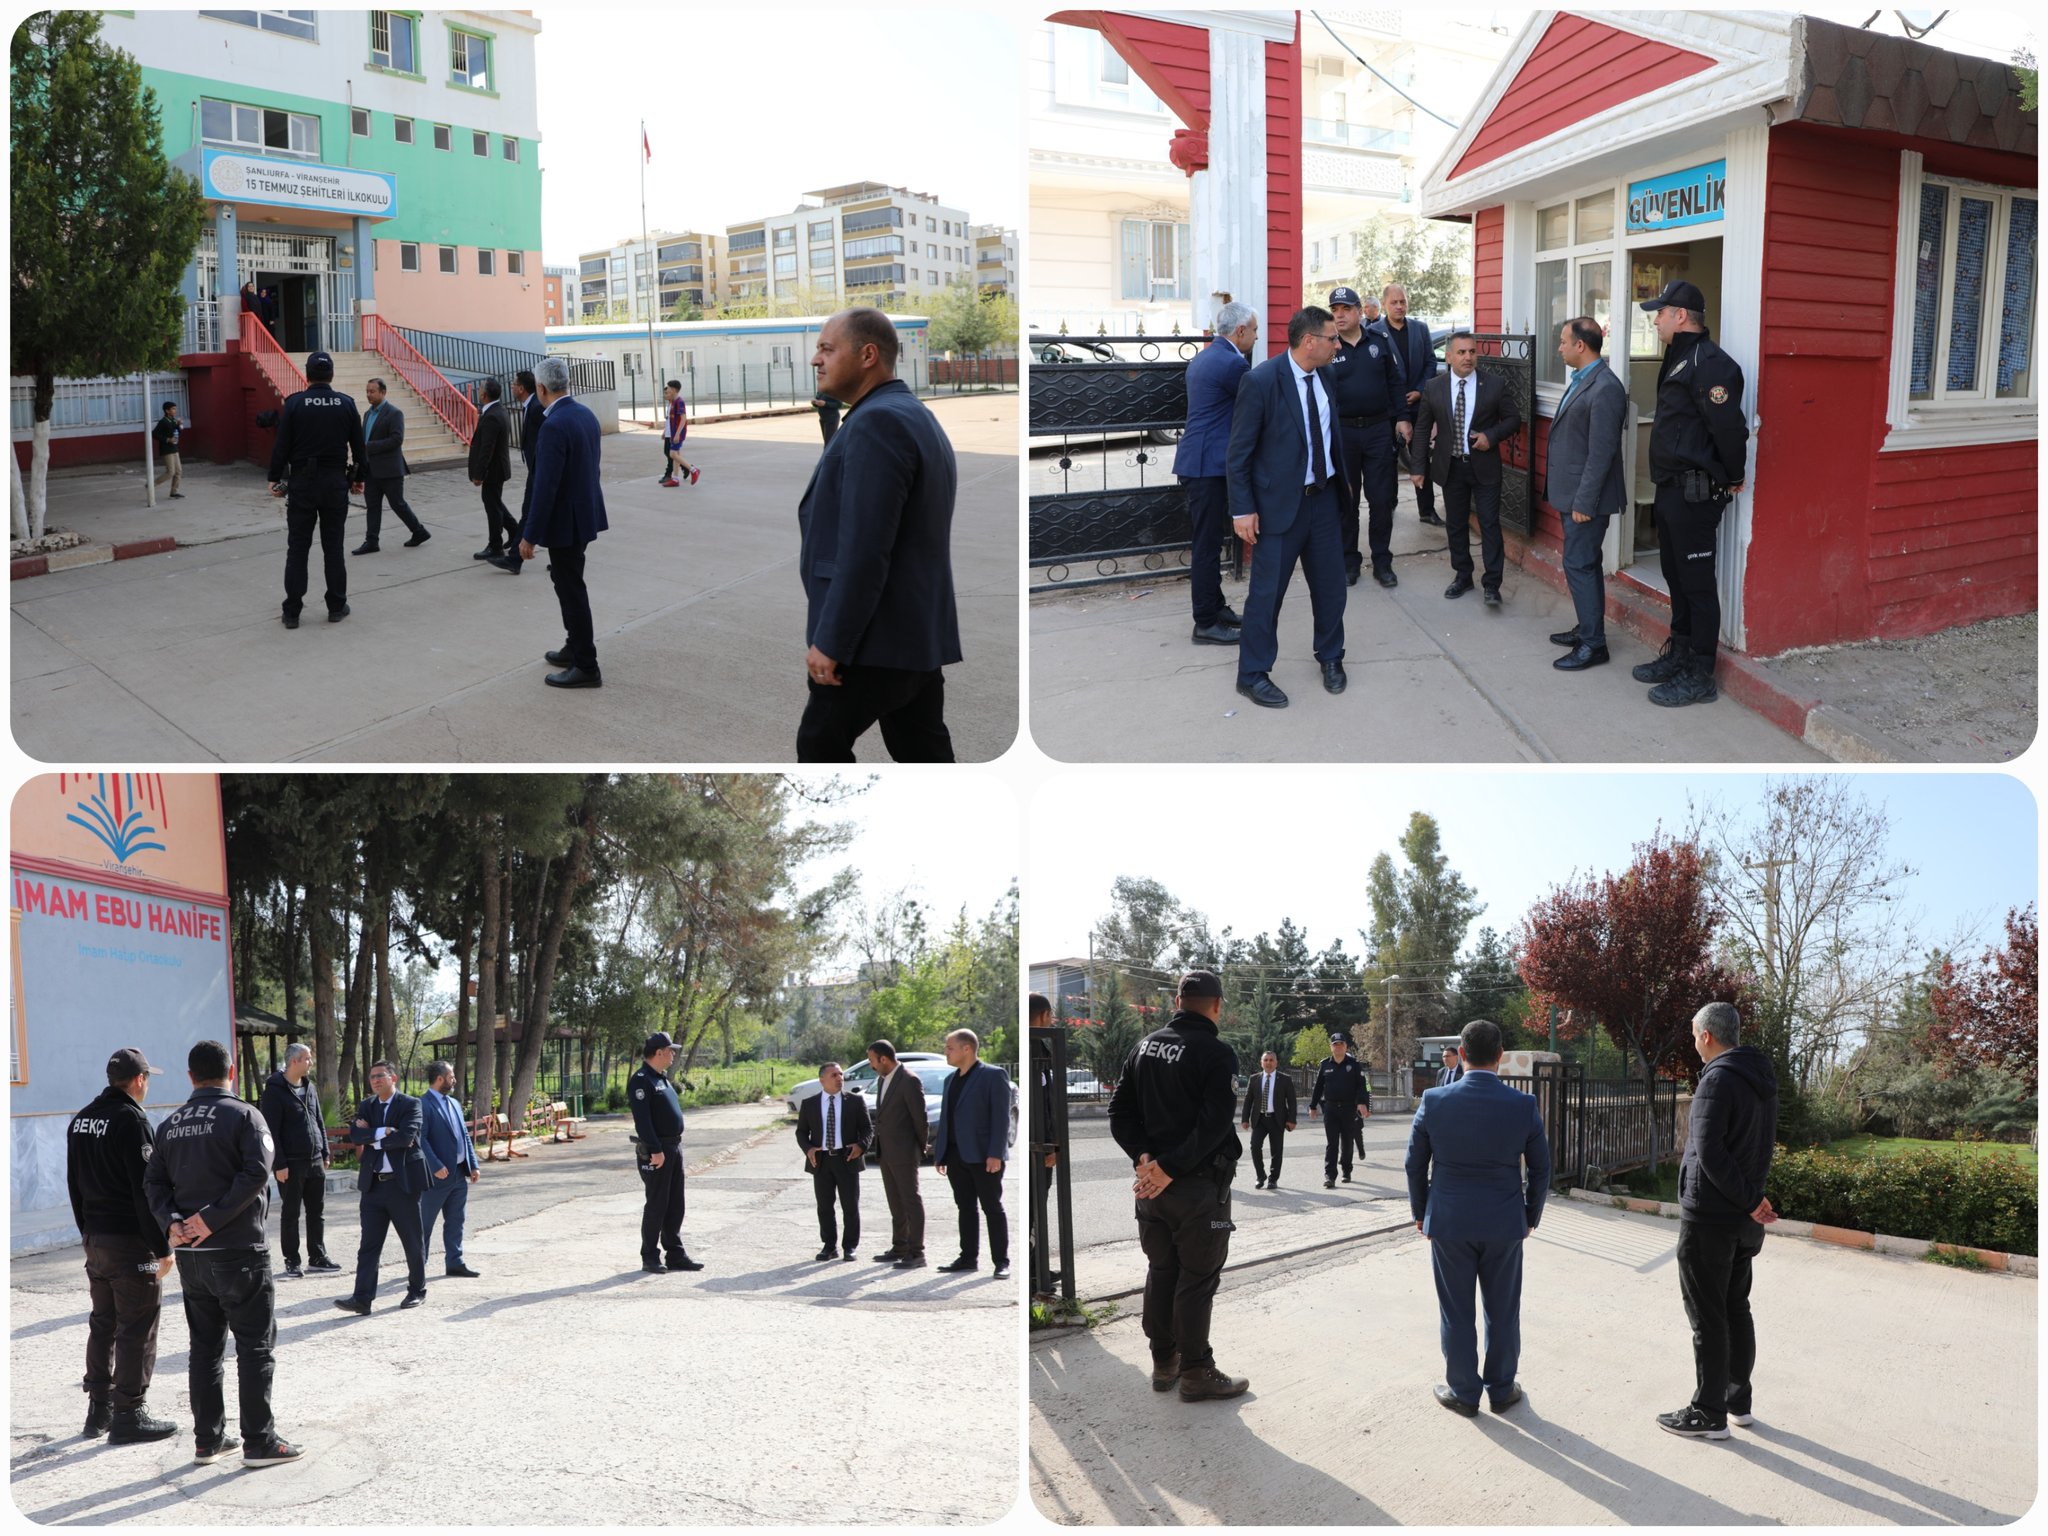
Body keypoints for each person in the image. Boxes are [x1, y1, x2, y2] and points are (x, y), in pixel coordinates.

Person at [797, 307, 962, 762]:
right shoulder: (909, 413)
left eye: (827, 349)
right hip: (912, 637)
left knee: (819, 747)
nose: (816, 359)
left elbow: (864, 549)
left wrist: (832, 641)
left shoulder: (878, 423)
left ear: (868, 355)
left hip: (874, 642)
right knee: (925, 756)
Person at [143, 1039, 300, 1466]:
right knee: (254, 1347)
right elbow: (257, 1172)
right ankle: (259, 1442)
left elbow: (152, 1182)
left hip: (193, 1258)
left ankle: (207, 1440)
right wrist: (212, 1218)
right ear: (231, 1072)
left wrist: (172, 1223)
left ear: (190, 1076)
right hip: (238, 1251)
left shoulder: (169, 1125)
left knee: (204, 1349)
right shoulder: (246, 1116)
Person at [1105, 970, 1246, 1401]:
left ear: (1177, 1003)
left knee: (1162, 1270)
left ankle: (1163, 1361)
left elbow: (1119, 1112)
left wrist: (1144, 1159)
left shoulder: (1144, 1046)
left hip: (1150, 1189)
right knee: (1198, 1277)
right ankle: (1196, 1371)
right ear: (1217, 1005)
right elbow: (1214, 1124)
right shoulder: (1216, 1053)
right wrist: (1169, 1167)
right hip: (1198, 1191)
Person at [1404, 1018, 1550, 1417]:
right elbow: (1541, 1168)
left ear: (1462, 1053)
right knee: (1503, 1310)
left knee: (1456, 1311)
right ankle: (1501, 1390)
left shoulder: (1434, 1100)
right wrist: (1529, 1215)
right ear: (1500, 1056)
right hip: (1504, 1223)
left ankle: (1464, 1393)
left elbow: (1414, 1164)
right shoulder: (1523, 1104)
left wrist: (1421, 1212)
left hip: (1449, 1222)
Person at [1661, 1000, 1779, 1441]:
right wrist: (1752, 1202)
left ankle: (1708, 1413)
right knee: (1734, 1308)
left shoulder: (1717, 1078)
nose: (1694, 1042)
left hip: (1711, 1218)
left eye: (1694, 1035)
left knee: (1708, 1316)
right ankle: (1736, 1403)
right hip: (1741, 1218)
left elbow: (1710, 1151)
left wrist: (1750, 1201)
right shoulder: (1757, 1076)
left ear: (1707, 1036)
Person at [1226, 306, 1353, 710]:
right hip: (1278, 508)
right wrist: (1242, 509)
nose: (1338, 345)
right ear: (1309, 342)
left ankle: (1331, 657)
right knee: (1266, 596)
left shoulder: (1327, 376)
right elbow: (1239, 453)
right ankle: (1252, 674)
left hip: (1325, 501)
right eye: (1332, 338)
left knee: (1331, 589)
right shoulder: (1261, 381)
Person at [1636, 280, 1750, 708]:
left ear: (1680, 315)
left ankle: (1701, 673)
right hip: (1670, 490)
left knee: (1697, 585)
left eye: (1660, 313)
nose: (1656, 321)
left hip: (1695, 494)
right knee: (1675, 576)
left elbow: (1729, 429)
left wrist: (1733, 474)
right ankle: (1680, 654)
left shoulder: (1711, 364)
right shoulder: (1679, 357)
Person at [67, 1047, 175, 1443]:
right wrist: (162, 1247)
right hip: (129, 1243)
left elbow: (74, 1185)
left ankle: (99, 1409)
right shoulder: (132, 1120)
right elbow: (144, 1192)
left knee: (103, 1322)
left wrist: (87, 1233)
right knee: (137, 1325)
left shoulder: (81, 1120)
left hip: (96, 1240)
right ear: (140, 1079)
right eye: (147, 1079)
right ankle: (129, 1412)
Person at [509, 354, 609, 687]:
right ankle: (574, 645)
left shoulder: (553, 425)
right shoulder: (584, 414)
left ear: (540, 388)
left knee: (571, 589)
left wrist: (529, 536)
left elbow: (545, 487)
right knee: (566, 583)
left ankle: (586, 666)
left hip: (566, 522)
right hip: (583, 516)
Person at [1411, 333, 1524, 608]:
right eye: (1461, 352)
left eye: (1472, 352)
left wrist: (1491, 436)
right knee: (1456, 524)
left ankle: (1492, 584)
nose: (1468, 357)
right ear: (1449, 357)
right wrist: (1418, 467)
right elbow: (1423, 429)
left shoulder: (1493, 384)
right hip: (1451, 467)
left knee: (1489, 524)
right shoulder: (1434, 387)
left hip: (1485, 467)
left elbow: (1513, 419)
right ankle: (1463, 576)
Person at [1171, 301, 1258, 645]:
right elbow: (1256, 403)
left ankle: (1216, 607)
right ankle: (1205, 622)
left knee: (1210, 542)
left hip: (1200, 461)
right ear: (1240, 331)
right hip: (1207, 465)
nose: (1256, 336)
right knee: (1207, 546)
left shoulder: (1207, 356)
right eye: (1254, 330)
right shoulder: (1232, 363)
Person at [1544, 317, 1628, 671]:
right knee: (1584, 563)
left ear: (1581, 345)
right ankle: (1587, 627)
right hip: (1575, 492)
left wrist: (1584, 501)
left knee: (1579, 564)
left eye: (1564, 342)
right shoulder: (1582, 378)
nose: (1559, 348)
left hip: (1586, 498)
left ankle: (1593, 645)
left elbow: (1601, 452)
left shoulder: (1605, 387)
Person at [267, 350, 366, 629]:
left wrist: (274, 477)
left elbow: (281, 445)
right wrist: (360, 477)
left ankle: (292, 613)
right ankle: (336, 606)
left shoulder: (295, 404)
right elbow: (359, 448)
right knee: (333, 548)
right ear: (331, 375)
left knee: (298, 549)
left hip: (302, 485)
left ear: (307, 375)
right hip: (334, 484)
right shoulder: (346, 403)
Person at [1326, 285, 1412, 589]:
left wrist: (1403, 418)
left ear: (1359, 312)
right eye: (1335, 310)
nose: (1339, 315)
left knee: (1381, 499)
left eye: (1346, 309)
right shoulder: (1328, 347)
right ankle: (1349, 561)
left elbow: (1395, 383)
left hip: (1378, 431)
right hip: (1343, 433)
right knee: (1347, 501)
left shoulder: (1379, 341)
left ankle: (1382, 562)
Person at [333, 1060, 429, 1315]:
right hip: (373, 1186)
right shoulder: (367, 1105)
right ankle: (362, 1299)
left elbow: (405, 1138)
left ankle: (417, 1290)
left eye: (380, 1076)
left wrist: (372, 1136)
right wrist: (384, 1132)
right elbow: (355, 1135)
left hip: (402, 1185)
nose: (375, 1080)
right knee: (369, 1246)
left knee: (412, 1242)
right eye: (372, 1077)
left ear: (393, 1078)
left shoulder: (410, 1104)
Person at [933, 1028, 1010, 1278]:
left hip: (984, 1157)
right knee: (965, 1208)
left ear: (966, 1048)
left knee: (992, 1208)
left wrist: (996, 1153)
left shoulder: (993, 1075)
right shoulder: (950, 1080)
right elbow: (947, 1119)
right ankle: (968, 1258)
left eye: (949, 1048)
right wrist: (941, 1153)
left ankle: (1001, 1262)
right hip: (956, 1156)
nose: (946, 1052)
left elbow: (1001, 1118)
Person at [256, 1043, 338, 1280]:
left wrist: (325, 1151)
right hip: (290, 1164)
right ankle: (292, 1260)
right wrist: (279, 1164)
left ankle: (318, 1257)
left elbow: (318, 1120)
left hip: (315, 1161)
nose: (311, 1062)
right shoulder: (274, 1091)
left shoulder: (309, 1087)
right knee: (291, 1214)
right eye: (307, 1059)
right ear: (294, 1061)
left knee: (317, 1212)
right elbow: (270, 1131)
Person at [629, 1032, 701, 1273]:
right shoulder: (642, 1080)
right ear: (658, 1052)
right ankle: (650, 1256)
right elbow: (643, 1121)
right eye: (670, 1050)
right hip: (657, 1151)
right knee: (657, 1204)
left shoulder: (661, 1078)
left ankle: (675, 1254)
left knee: (675, 1204)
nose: (673, 1054)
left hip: (673, 1147)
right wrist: (656, 1150)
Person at [1372, 283, 1442, 526]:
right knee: (1387, 460)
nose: (1399, 306)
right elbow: (1374, 372)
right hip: (1387, 409)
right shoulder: (1373, 332)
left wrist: (1420, 391)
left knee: (1421, 458)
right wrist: (1394, 397)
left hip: (1418, 407)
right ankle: (1390, 504)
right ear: (1384, 304)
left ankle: (1427, 510)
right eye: (1394, 302)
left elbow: (1430, 362)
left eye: (1403, 301)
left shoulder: (1420, 329)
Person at [796, 1062, 871, 1260]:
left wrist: (861, 1146)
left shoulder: (854, 1101)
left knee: (850, 1206)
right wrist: (808, 1149)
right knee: (824, 1207)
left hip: (847, 1158)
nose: (839, 1078)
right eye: (834, 1075)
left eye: (841, 1074)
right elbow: (801, 1132)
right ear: (822, 1080)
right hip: (821, 1161)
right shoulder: (810, 1104)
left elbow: (867, 1129)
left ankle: (850, 1246)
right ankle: (829, 1246)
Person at [867, 1039, 929, 1268]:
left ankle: (917, 1252)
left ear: (884, 1059)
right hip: (886, 1152)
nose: (871, 1065)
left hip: (904, 1152)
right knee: (895, 1202)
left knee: (911, 1201)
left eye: (872, 1060)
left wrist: (919, 1148)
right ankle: (900, 1246)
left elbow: (920, 1119)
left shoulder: (909, 1080)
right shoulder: (883, 1079)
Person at [418, 1060, 482, 1279]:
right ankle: (419, 1265)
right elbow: (421, 1139)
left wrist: (473, 1164)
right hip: (435, 1177)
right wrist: (435, 1165)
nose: (454, 1080)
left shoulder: (454, 1103)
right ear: (440, 1079)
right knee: (424, 1223)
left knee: (456, 1221)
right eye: (451, 1076)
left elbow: (464, 1136)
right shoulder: (423, 1104)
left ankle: (455, 1262)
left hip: (458, 1174)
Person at [354, 377, 430, 554]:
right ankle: (371, 541)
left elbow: (396, 439)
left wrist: (369, 446)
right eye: (367, 391)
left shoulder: (394, 413)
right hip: (371, 470)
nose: (368, 394)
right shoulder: (367, 414)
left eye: (372, 391)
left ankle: (419, 531)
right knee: (372, 506)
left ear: (383, 392)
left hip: (390, 470)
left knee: (397, 504)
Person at [494, 368, 545, 574]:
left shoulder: (536, 408)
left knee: (529, 513)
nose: (512, 387)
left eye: (513, 384)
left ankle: (515, 559)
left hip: (541, 471)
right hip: (537, 470)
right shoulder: (530, 405)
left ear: (522, 388)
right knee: (537, 513)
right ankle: (562, 555)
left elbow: (547, 439)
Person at [1309, 1033, 1370, 1187]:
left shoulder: (1354, 1064)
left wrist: (1362, 1103)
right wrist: (1313, 1106)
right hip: (1330, 1108)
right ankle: (1330, 1176)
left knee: (1347, 1141)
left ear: (1346, 1046)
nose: (1338, 1047)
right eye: (1335, 1044)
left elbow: (1361, 1086)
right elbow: (1318, 1087)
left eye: (1341, 1044)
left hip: (1349, 1108)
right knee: (1332, 1143)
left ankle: (1346, 1170)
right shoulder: (1325, 1065)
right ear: (1331, 1047)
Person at [467, 378, 517, 562]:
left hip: (493, 470)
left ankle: (495, 546)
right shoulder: (498, 410)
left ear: (484, 395)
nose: (479, 391)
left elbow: (487, 449)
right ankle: (515, 530)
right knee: (494, 501)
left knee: (492, 506)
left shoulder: (492, 416)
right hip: (497, 468)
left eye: (480, 389)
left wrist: (479, 474)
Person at [1238, 1049, 1296, 1190]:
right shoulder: (1254, 1079)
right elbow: (1248, 1100)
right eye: (1266, 1060)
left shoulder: (1285, 1079)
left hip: (1277, 1119)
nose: (1268, 1063)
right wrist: (1245, 1119)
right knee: (1254, 1146)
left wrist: (1292, 1120)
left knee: (1276, 1150)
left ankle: (1273, 1179)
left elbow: (1292, 1101)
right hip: (1260, 1119)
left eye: (1271, 1060)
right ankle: (1260, 1175)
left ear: (1276, 1063)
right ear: (1261, 1063)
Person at [660, 380, 701, 487]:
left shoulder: (679, 402)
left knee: (672, 454)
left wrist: (677, 433)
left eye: (668, 388)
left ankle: (693, 470)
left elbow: (683, 419)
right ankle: (675, 479)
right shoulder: (673, 402)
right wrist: (666, 431)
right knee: (676, 455)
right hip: (673, 432)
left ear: (673, 390)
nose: (667, 390)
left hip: (678, 433)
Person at [151, 401, 185, 499]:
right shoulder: (163, 422)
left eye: (175, 408)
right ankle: (151, 485)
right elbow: (154, 434)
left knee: (178, 471)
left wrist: (179, 425)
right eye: (173, 409)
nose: (175, 410)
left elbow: (176, 432)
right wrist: (167, 439)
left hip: (174, 448)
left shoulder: (173, 420)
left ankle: (174, 492)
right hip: (166, 449)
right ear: (167, 410)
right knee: (170, 472)